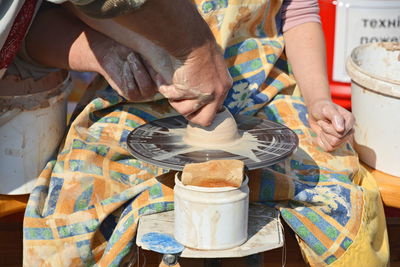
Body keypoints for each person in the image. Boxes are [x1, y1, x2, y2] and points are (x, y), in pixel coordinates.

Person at [0, 0, 387, 266]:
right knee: (73, 211)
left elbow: (299, 12)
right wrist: (109, 57)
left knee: (339, 194)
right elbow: (30, 22)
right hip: (139, 94)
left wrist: (318, 98)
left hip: (260, 87)